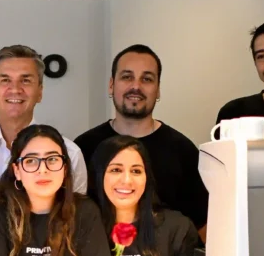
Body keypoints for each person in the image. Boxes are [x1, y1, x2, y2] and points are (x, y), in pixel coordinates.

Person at [74, 44, 209, 242]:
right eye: (127, 77)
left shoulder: (183, 151)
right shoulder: (84, 147)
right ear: (111, 85)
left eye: (146, 79)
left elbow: (203, 227)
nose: (136, 86)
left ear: (158, 89)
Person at [90, 135, 227, 256]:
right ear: (99, 174)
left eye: (136, 171)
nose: (127, 180)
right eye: (116, 170)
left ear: (147, 177)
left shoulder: (176, 226)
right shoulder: (83, 228)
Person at [0, 124, 110, 256]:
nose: (42, 169)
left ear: (65, 168)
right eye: (31, 161)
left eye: (52, 159)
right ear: (17, 171)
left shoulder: (85, 211)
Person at [0, 45, 88, 194]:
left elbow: (75, 208)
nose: (15, 89)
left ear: (40, 92)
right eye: (5, 80)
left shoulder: (69, 154)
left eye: (25, 80)